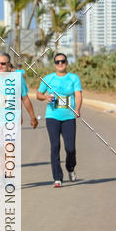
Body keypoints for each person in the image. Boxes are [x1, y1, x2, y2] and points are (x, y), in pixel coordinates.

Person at [36, 52, 81, 187]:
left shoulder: (73, 78)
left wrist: (77, 109)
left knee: (70, 148)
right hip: (52, 116)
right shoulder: (48, 78)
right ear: (54, 64)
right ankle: (57, 178)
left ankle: (70, 167)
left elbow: (78, 95)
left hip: (69, 117)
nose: (60, 64)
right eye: (57, 62)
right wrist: (45, 97)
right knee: (55, 146)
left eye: (62, 61)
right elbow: (38, 94)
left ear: (66, 63)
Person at [0, 53, 39, 129]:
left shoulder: (18, 79)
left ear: (9, 64)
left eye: (3, 64)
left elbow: (25, 99)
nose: (0, 66)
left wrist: (32, 116)